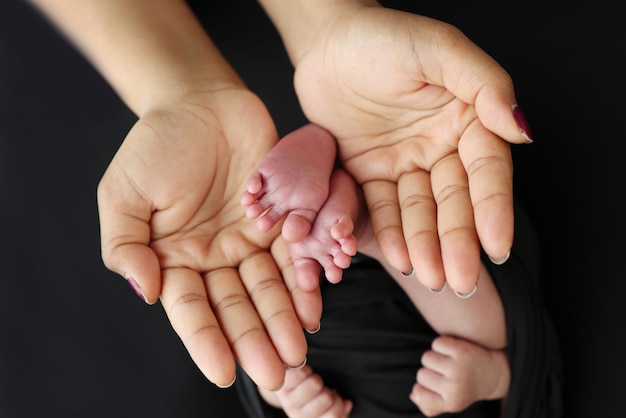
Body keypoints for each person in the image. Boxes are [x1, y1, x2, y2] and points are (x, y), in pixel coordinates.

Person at [25, 0, 549, 400]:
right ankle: (357, 217)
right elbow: (538, 384)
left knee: (261, 350)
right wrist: (492, 380)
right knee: (488, 315)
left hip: (303, 318)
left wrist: (294, 404)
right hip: (430, 325)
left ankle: (340, 202)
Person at [239, 122, 511, 417]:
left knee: (270, 325)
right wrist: (494, 379)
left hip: (316, 332)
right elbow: (534, 390)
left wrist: (283, 393)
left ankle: (331, 203)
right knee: (494, 330)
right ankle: (364, 220)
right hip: (431, 325)